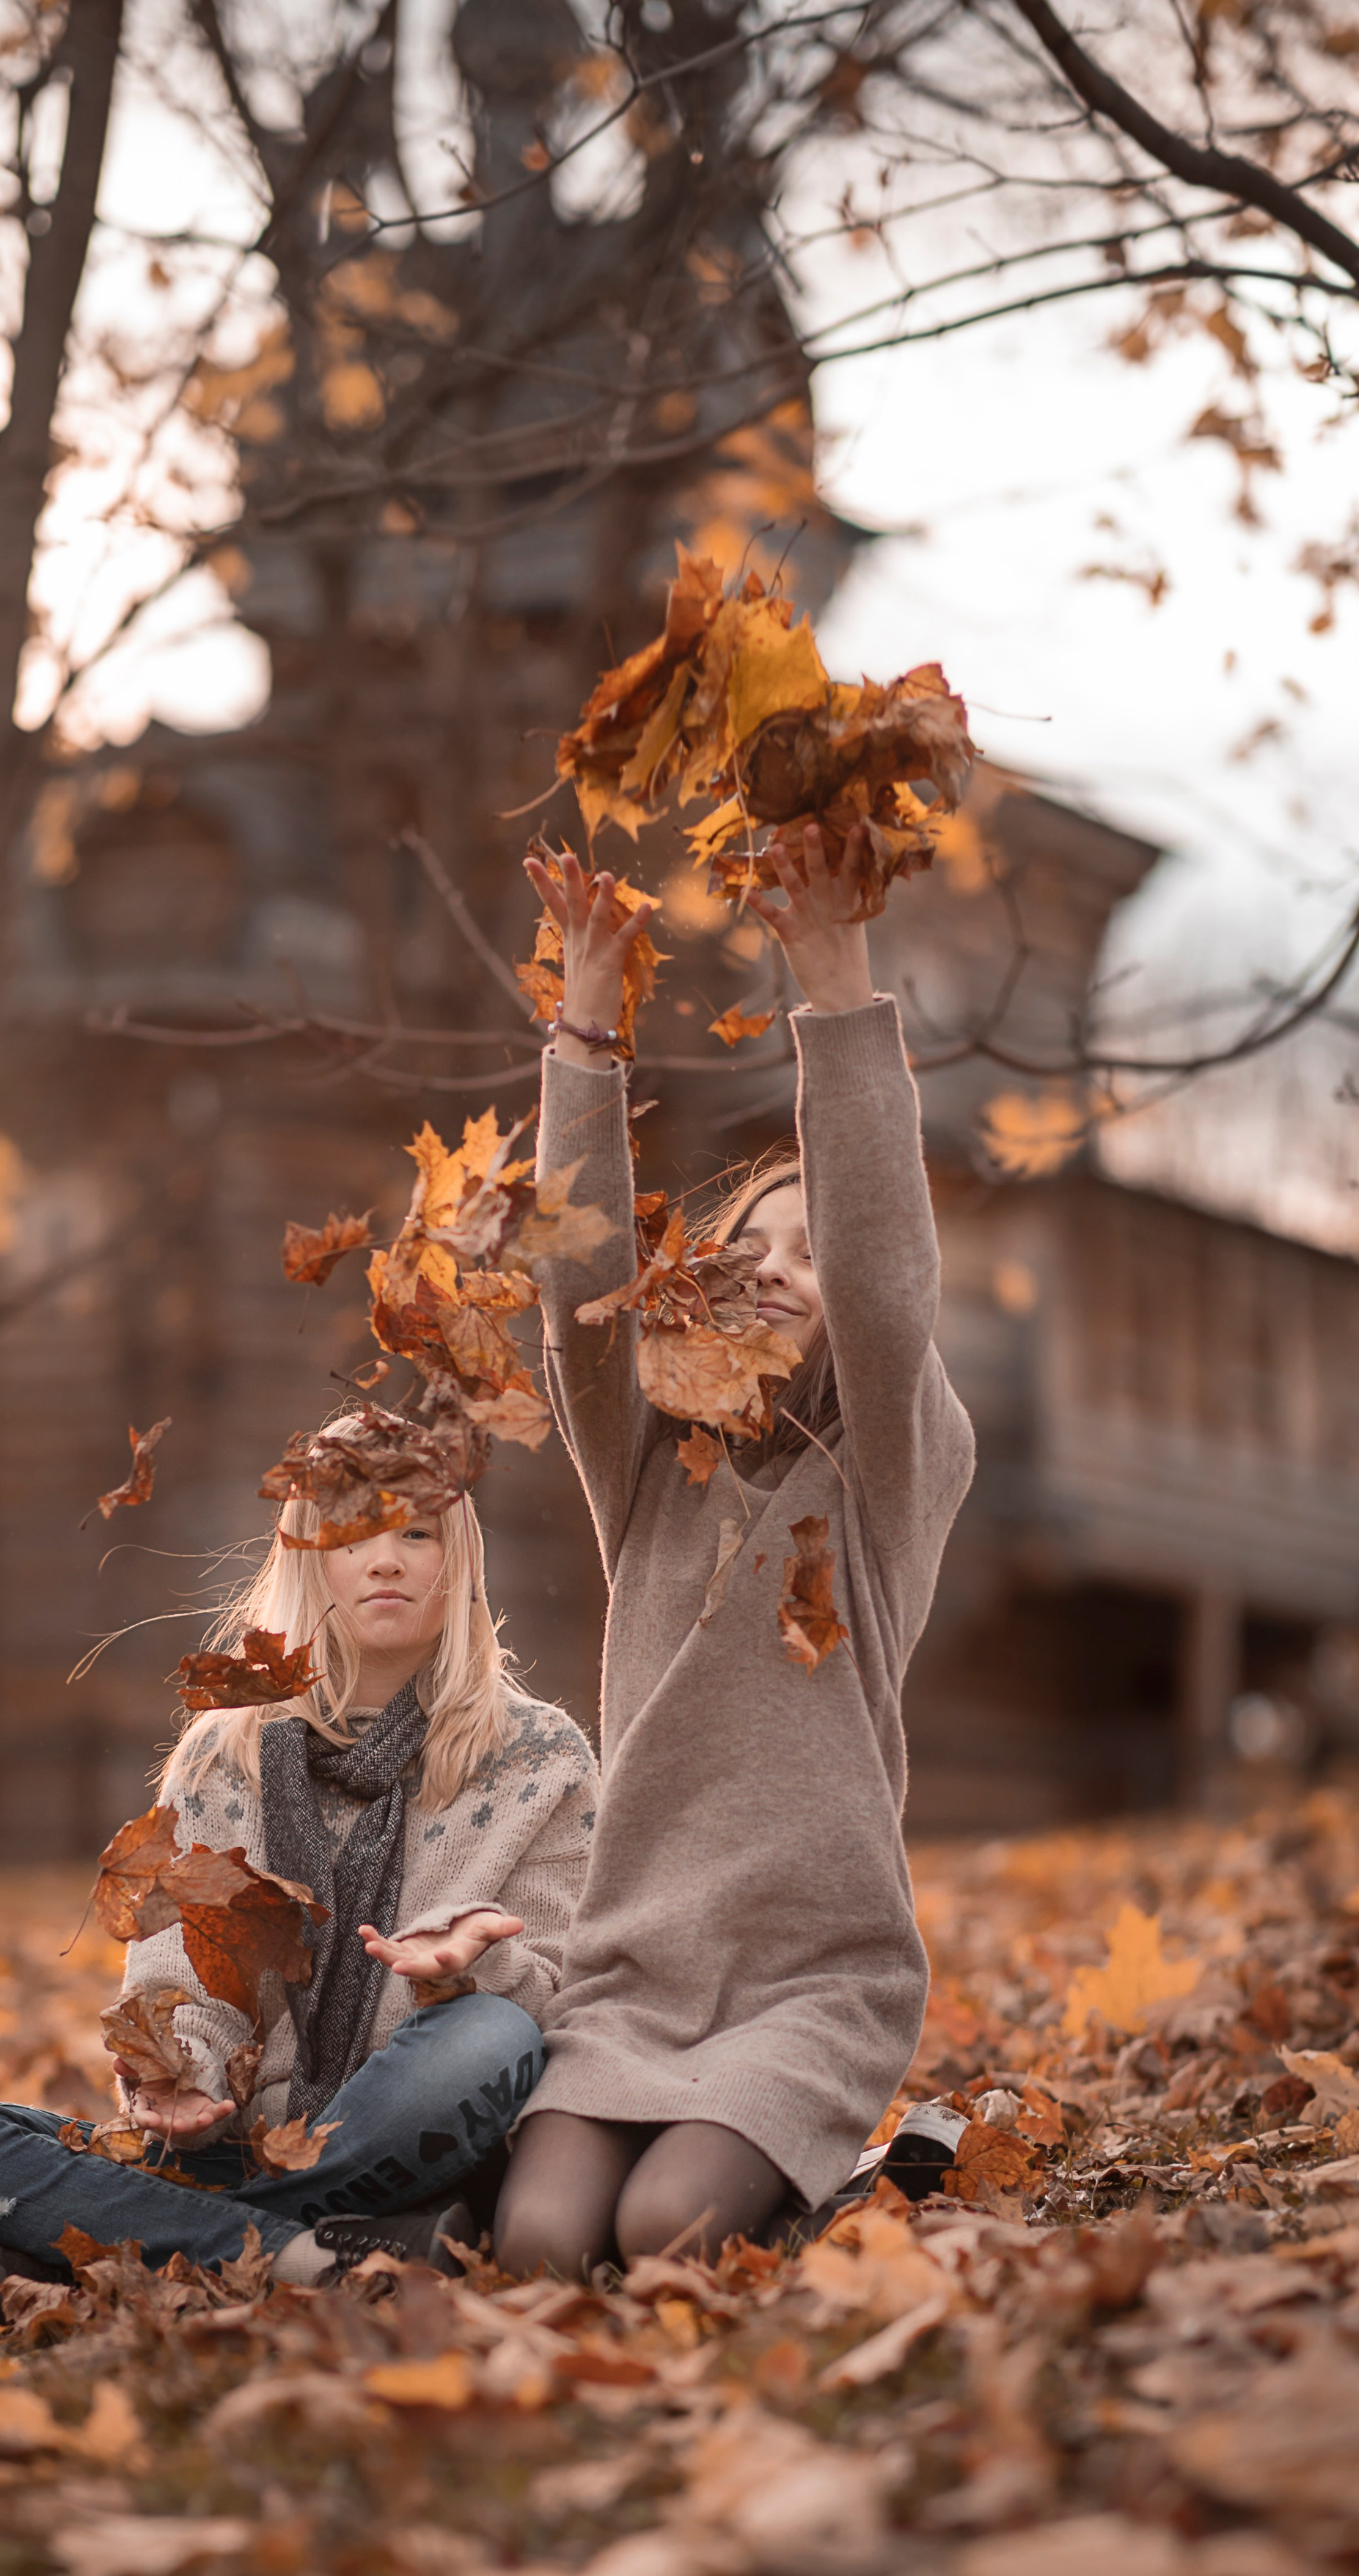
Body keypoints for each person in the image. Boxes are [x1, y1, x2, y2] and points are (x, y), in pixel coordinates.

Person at [491, 821, 975, 2276]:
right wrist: (583, 1030)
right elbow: (573, 1282)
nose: (778, 1266)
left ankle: (871, 2167)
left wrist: (832, 980)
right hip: (629, 1972)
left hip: (811, 1980)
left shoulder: (889, 1470)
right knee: (534, 2244)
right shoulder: (643, 1472)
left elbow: (889, 1272)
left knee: (662, 2230)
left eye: (809, 1253)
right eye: (753, 1242)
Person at [0, 1467, 598, 2288]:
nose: (386, 1560)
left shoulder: (538, 1755)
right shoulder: (224, 1753)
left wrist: (474, 1968)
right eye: (349, 1536)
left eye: (416, 1532)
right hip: (222, 2152)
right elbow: (176, 1971)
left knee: (490, 2037)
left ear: (460, 1559)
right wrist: (183, 2069)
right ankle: (315, 2252)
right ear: (304, 1560)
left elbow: (566, 1995)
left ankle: (139, 2233)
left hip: (412, 2140)